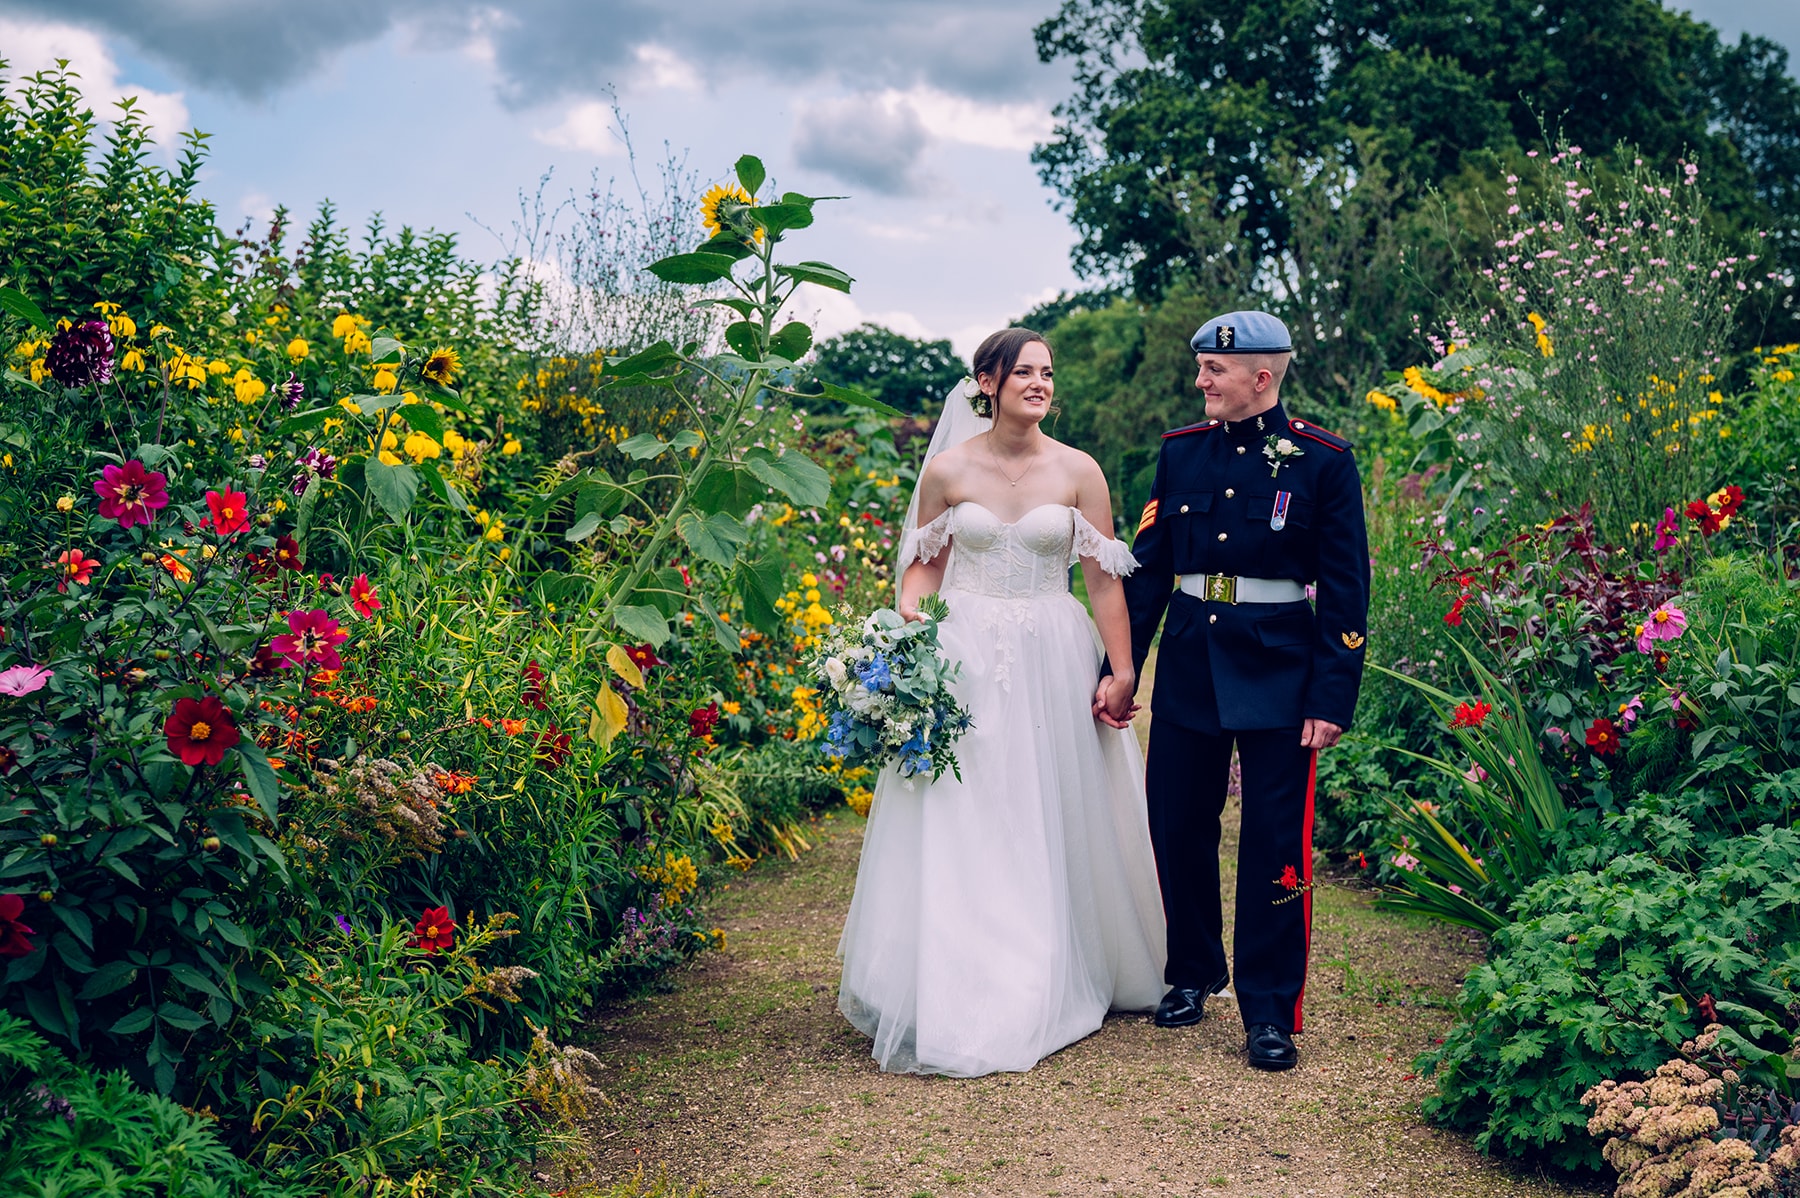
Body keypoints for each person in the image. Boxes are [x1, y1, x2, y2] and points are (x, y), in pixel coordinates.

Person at [836, 327, 1168, 1076]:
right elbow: (922, 573)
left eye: (1048, 373)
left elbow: (1105, 580)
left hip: (1054, 650)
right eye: (1024, 372)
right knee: (973, 807)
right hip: (967, 655)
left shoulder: (1080, 470)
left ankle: (1058, 955)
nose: (1040, 384)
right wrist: (916, 631)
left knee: (1047, 802)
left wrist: (1122, 670)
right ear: (986, 381)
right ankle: (969, 973)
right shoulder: (948, 471)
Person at [1116, 310, 1369, 1071]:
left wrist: (1332, 696)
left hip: (1282, 671)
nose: (1200, 381)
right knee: (1177, 824)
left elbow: (1348, 589)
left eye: (1213, 371)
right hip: (1192, 660)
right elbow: (1151, 568)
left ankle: (1269, 1010)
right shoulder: (1179, 454)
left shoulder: (1324, 461)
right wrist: (1119, 663)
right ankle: (1192, 974)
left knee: (1273, 843)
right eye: (1200, 368)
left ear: (1261, 378)